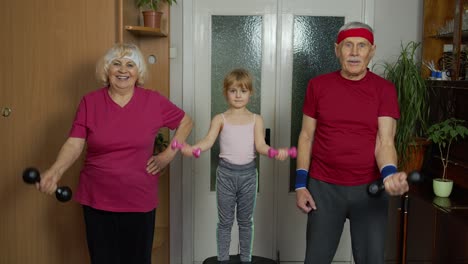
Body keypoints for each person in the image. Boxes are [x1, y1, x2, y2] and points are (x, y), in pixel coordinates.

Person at [37, 43, 193, 264]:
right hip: (97, 198)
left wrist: (168, 154)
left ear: (138, 73)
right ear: (106, 70)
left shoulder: (153, 101)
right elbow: (74, 144)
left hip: (139, 199)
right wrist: (55, 171)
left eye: (130, 65)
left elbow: (186, 121)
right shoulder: (89, 102)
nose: (123, 70)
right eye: (116, 64)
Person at [294, 21, 409, 264]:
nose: (355, 52)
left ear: (372, 50)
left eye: (362, 45)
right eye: (348, 45)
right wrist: (301, 184)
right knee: (315, 259)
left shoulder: (385, 90)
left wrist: (389, 175)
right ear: (337, 50)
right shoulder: (318, 86)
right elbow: (306, 136)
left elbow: (385, 141)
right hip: (324, 189)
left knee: (371, 260)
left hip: (370, 189)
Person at [181, 68, 290, 264]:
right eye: (233, 90)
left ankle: (246, 259)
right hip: (225, 175)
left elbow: (260, 145)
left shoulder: (256, 119)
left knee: (245, 222)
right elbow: (207, 141)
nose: (238, 95)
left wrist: (274, 152)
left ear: (250, 93)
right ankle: (223, 260)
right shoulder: (220, 119)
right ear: (225, 93)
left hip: (249, 175)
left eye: (243, 90)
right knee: (225, 222)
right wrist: (193, 148)